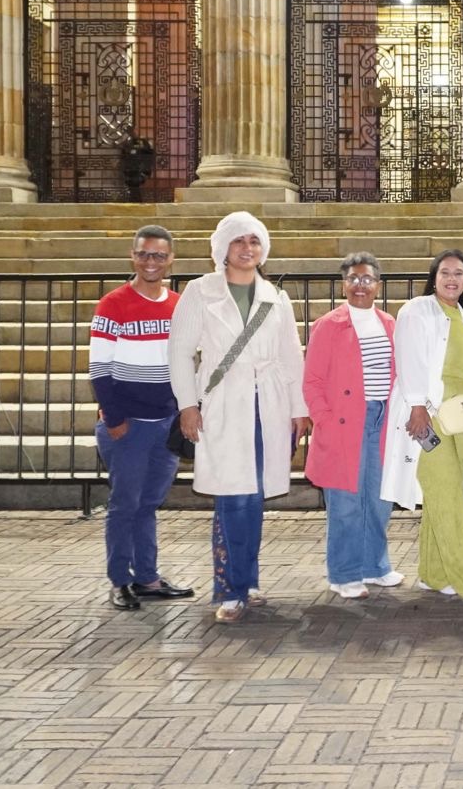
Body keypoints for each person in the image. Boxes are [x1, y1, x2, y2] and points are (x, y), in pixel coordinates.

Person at [168, 211, 310, 623]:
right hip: (224, 402)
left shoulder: (275, 297)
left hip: (269, 404)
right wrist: (187, 404)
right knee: (232, 495)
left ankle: (247, 581)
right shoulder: (200, 291)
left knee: (254, 496)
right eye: (239, 241)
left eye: (254, 241)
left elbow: (290, 355)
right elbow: (180, 351)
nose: (247, 249)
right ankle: (229, 589)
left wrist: (299, 408)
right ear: (223, 248)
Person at [381, 250, 463, 607]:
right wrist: (417, 406)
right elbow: (409, 359)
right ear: (434, 277)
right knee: (448, 495)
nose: (452, 279)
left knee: (443, 496)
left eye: (459, 273)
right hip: (428, 417)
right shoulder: (416, 310)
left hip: (462, 420)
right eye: (445, 272)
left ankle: (434, 573)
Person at [90, 225, 194, 611]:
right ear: (133, 257)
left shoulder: (180, 305)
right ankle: (120, 580)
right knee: (124, 504)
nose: (151, 262)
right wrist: (115, 418)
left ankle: (147, 577)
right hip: (128, 425)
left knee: (149, 503)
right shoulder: (113, 304)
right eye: (144, 254)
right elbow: (100, 368)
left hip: (165, 423)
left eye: (159, 255)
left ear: (171, 260)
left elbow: (188, 359)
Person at [303, 252, 404, 599]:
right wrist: (325, 421)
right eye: (353, 279)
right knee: (345, 501)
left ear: (378, 285)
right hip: (345, 422)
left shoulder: (389, 323)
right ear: (344, 284)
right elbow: (312, 381)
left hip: (382, 419)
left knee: (379, 498)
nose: (360, 285)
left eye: (367, 279)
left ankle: (375, 566)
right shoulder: (327, 325)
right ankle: (344, 573)